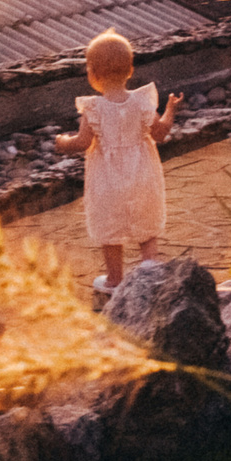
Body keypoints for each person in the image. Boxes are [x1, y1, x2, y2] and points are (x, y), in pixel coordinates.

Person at [53, 29, 183, 291]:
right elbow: (159, 134)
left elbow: (82, 143)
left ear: (93, 74)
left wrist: (62, 142)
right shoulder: (143, 102)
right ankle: (150, 268)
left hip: (107, 180)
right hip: (142, 174)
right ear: (130, 70)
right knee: (145, 220)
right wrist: (170, 111)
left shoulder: (92, 108)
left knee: (110, 224)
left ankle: (115, 280)